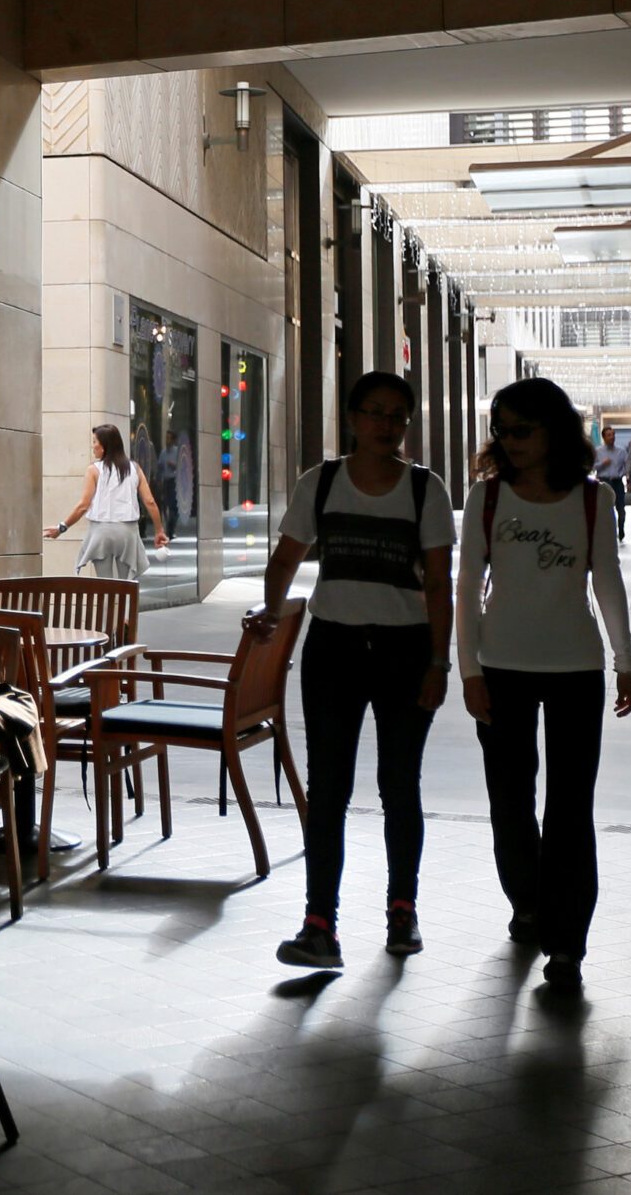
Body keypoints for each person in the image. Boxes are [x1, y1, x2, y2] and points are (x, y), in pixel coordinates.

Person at [255, 371, 454, 970]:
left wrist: (441, 662)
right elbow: (287, 556)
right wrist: (270, 610)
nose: (387, 425)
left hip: (405, 651)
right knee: (329, 788)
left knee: (399, 786)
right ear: (351, 419)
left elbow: (440, 584)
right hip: (334, 650)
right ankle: (320, 925)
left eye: (398, 416)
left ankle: (402, 911)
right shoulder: (321, 484)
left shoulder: (425, 490)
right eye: (375, 413)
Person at [457, 377, 631, 992]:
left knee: (568, 808)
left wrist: (625, 660)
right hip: (501, 667)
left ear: (555, 430)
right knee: (509, 800)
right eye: (501, 431)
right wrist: (469, 670)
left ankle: (567, 944)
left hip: (574, 669)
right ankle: (528, 902)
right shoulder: (486, 499)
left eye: (522, 430)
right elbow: (466, 592)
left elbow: (606, 582)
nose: (509, 442)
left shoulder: (593, 500)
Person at [47, 423, 170, 578]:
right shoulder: (135, 469)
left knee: (105, 586)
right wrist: (159, 530)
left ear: (104, 446)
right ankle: (125, 603)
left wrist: (62, 527)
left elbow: (83, 505)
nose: (93, 447)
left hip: (101, 531)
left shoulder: (94, 470)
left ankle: (107, 602)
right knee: (126, 585)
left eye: (94, 442)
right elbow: (150, 502)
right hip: (127, 532)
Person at [591, 425, 629, 543]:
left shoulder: (621, 451)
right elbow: (592, 466)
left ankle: (621, 530)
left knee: (621, 508)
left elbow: (627, 466)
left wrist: (628, 478)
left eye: (613, 435)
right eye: (609, 435)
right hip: (604, 482)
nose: (612, 437)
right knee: (605, 509)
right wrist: (603, 463)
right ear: (604, 438)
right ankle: (608, 531)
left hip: (617, 482)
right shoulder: (598, 451)